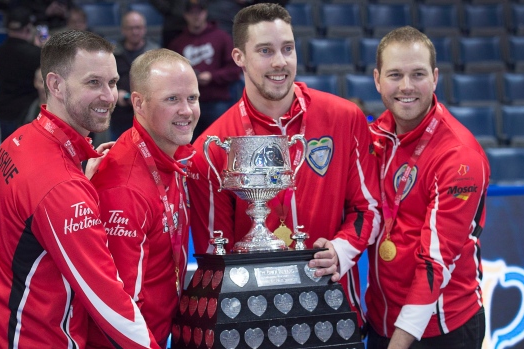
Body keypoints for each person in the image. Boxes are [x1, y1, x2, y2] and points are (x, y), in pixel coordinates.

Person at [187, 3, 381, 328]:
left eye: (287, 49)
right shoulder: (212, 146)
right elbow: (214, 250)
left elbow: (370, 209)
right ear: (239, 57)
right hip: (253, 323)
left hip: (333, 311)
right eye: (265, 50)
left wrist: (341, 250)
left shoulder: (344, 118)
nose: (280, 62)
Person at [0, 30, 159, 349]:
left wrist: (81, 172)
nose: (109, 96)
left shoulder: (17, 142)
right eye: (93, 83)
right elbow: (110, 306)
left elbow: (30, 226)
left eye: (113, 83)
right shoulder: (61, 187)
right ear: (55, 85)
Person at [366, 26, 490, 349]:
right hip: (381, 320)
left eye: (417, 74)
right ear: (377, 79)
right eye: (395, 74)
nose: (406, 86)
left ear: (435, 78)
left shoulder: (459, 156)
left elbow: (435, 263)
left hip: (444, 329)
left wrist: (398, 343)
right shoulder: (374, 138)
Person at [88, 48, 199, 349]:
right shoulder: (125, 187)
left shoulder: (171, 157)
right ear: (138, 102)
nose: (187, 111)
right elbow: (119, 305)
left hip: (157, 334)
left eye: (192, 98)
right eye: (172, 99)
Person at [168, 0, 241, 142]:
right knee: (187, 145)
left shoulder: (222, 37)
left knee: (221, 143)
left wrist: (212, 76)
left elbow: (235, 70)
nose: (196, 16)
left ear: (205, 13)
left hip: (217, 101)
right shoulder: (177, 43)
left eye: (199, 12)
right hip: (187, 104)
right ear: (185, 15)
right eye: (191, 13)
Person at [111, 10, 160, 140]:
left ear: (144, 29)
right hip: (119, 114)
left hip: (148, 115)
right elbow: (104, 81)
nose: (134, 32)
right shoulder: (112, 54)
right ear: (123, 30)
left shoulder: (156, 54)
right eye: (130, 28)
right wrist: (115, 92)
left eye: (138, 28)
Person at [0, 6, 41, 141]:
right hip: (27, 115)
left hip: (5, 113)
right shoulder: (36, 53)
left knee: (8, 159)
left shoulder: (1, 51)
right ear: (28, 28)